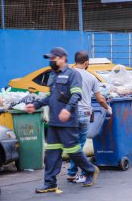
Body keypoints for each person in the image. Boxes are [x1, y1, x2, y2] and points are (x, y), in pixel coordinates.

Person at [26, 47, 99, 193]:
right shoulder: (53, 75)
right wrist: (35, 104)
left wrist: (67, 109)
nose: (51, 61)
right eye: (50, 58)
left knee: (73, 151)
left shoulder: (72, 74)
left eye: (54, 58)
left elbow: (76, 95)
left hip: (68, 121)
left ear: (62, 58)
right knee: (51, 154)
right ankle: (50, 183)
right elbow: (50, 97)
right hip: (54, 122)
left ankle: (90, 170)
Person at [67, 51, 112, 183]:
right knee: (79, 145)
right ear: (86, 62)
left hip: (70, 113)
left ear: (75, 61)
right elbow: (100, 99)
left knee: (73, 144)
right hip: (85, 114)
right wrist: (107, 108)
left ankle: (72, 172)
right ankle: (86, 171)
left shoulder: (68, 74)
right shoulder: (91, 77)